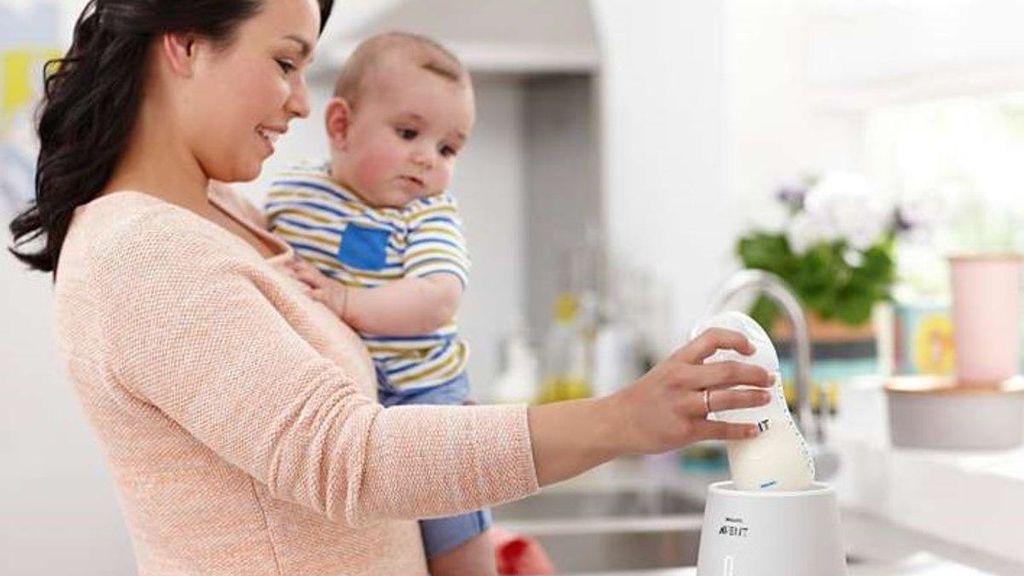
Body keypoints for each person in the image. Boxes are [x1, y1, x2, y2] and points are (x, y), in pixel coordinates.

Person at [6, 0, 773, 574]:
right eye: (284, 62)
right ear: (184, 45)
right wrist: (624, 420)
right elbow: (349, 457)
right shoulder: (143, 253)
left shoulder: (226, 218)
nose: (302, 101)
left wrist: (464, 542)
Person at [263, 31, 493, 575]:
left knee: (452, 523)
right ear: (340, 125)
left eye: (447, 148)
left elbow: (438, 298)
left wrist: (346, 302)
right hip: (347, 405)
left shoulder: (427, 214)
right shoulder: (292, 195)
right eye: (409, 132)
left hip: (423, 397)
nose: (426, 160)